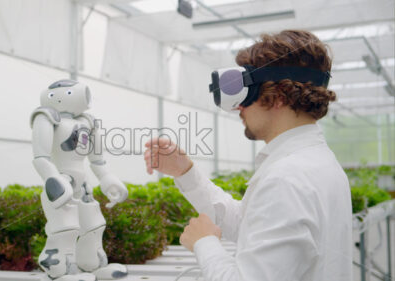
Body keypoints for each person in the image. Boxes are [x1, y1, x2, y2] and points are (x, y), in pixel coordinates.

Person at [143, 30, 352, 281]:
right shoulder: (315, 163)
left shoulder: (287, 178)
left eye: (248, 90)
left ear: (279, 96)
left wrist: (205, 243)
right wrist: (185, 173)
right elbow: (248, 224)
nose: (239, 106)